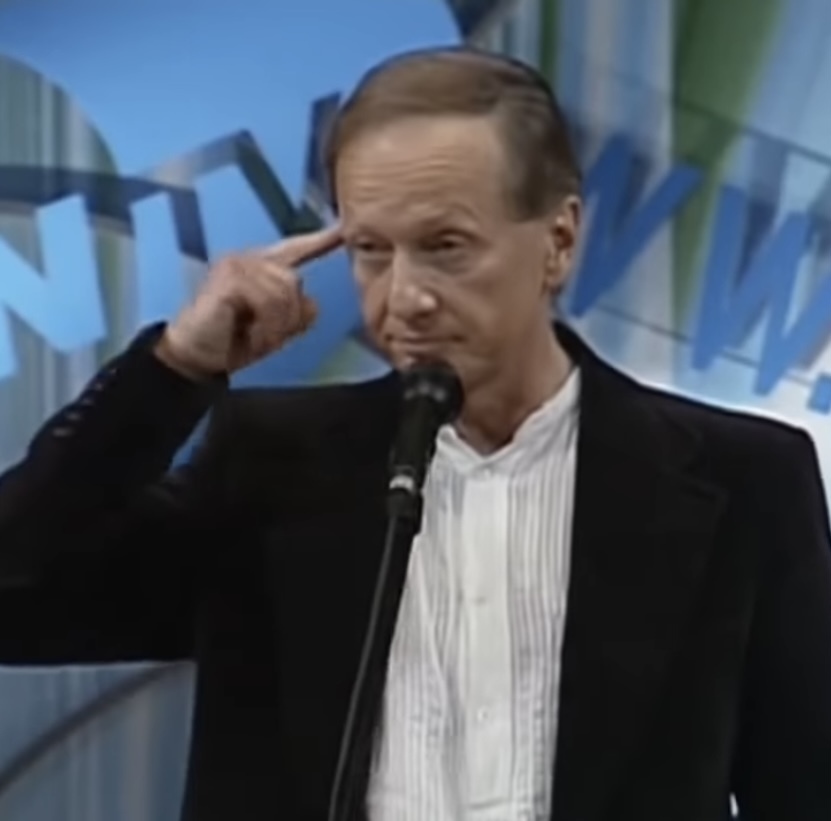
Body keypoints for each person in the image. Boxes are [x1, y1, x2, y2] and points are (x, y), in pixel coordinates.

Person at [0, 46, 829, 821]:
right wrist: (175, 367)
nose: (404, 299)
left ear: (558, 241)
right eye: (370, 249)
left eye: (445, 246)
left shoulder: (744, 480)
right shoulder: (272, 464)